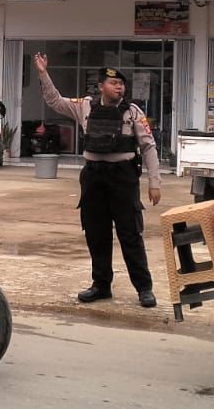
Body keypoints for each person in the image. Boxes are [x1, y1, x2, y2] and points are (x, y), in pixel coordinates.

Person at [33, 52, 162, 307]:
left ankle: (144, 288)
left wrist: (154, 182)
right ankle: (101, 285)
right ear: (101, 86)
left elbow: (148, 147)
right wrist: (43, 73)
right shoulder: (85, 105)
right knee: (96, 233)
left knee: (130, 234)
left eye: (121, 84)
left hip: (123, 178)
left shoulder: (132, 112)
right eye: (113, 84)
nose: (119, 87)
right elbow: (54, 101)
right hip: (93, 177)